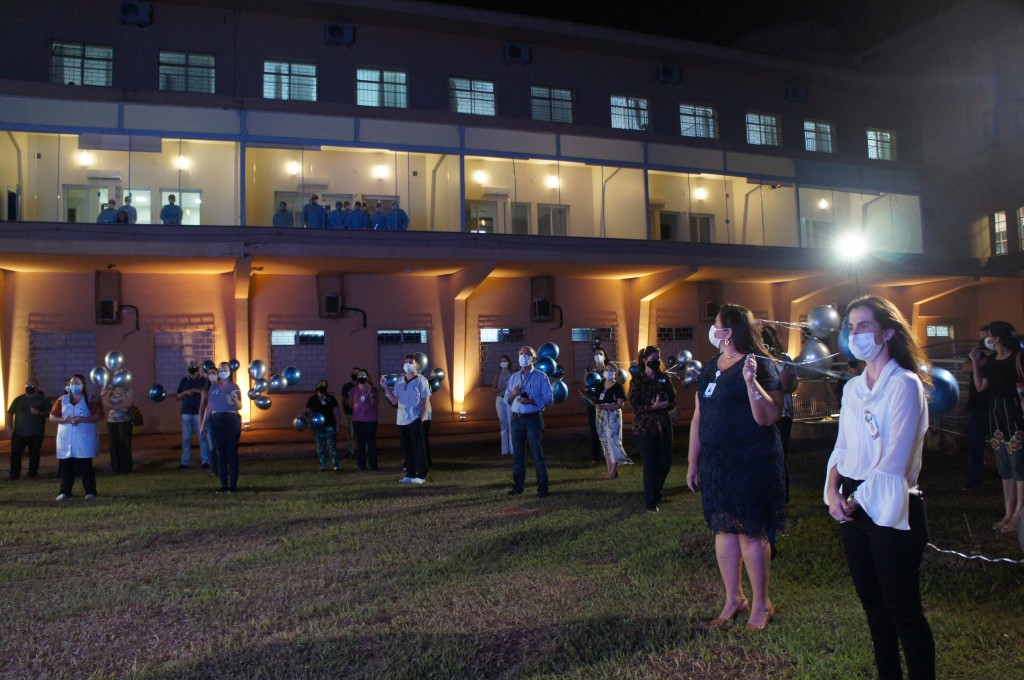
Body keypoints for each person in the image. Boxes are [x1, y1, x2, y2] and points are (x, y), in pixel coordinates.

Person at [824, 295, 935, 678]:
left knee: (903, 611)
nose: (856, 335)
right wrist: (831, 492)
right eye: (851, 327)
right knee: (874, 609)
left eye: (864, 326)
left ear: (887, 332)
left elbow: (896, 459)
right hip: (853, 506)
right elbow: (842, 446)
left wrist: (855, 500)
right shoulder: (852, 388)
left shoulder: (904, 385)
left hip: (891, 505)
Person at [687, 304, 785, 632]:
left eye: (716, 326)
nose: (712, 331)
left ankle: (761, 604)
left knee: (750, 534)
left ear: (728, 331)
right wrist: (692, 461)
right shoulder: (712, 366)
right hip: (717, 463)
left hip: (751, 460)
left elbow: (768, 418)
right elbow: (699, 415)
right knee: (724, 530)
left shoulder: (760, 365)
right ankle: (734, 599)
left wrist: (749, 382)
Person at [970, 320, 1024, 533]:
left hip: (1014, 413)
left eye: (989, 335)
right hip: (996, 413)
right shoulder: (992, 360)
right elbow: (981, 386)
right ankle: (1008, 512)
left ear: (997, 337)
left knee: (1018, 465)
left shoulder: (1018, 357)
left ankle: (1019, 513)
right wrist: (975, 363)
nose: (986, 339)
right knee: (1005, 467)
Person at [629, 345, 676, 512]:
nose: (656, 362)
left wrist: (665, 404)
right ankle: (651, 502)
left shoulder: (664, 378)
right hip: (644, 428)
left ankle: (656, 492)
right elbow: (634, 406)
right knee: (650, 465)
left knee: (665, 462)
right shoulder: (637, 381)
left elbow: (673, 400)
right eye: (652, 359)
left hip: (662, 426)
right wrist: (652, 406)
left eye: (658, 359)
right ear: (644, 360)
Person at [504, 345, 554, 497]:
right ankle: (518, 487)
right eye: (520, 354)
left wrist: (531, 401)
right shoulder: (513, 377)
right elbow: (507, 399)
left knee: (537, 455)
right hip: (516, 420)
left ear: (534, 359)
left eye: (526, 354)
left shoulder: (541, 377)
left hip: (533, 419)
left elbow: (549, 399)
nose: (523, 357)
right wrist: (513, 394)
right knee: (518, 456)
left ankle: (543, 488)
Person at [49, 374, 104, 501]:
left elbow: (99, 415)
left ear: (83, 385)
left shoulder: (91, 400)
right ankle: (65, 491)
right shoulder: (62, 400)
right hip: (66, 437)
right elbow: (52, 416)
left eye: (77, 383)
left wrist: (83, 419)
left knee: (85, 465)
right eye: (72, 383)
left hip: (84, 437)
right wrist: (64, 420)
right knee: (66, 465)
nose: (74, 385)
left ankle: (90, 491)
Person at [381, 355, 430, 484]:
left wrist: (420, 418)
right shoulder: (400, 381)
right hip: (401, 420)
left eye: (410, 362)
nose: (407, 364)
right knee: (407, 448)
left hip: (414, 418)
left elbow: (425, 402)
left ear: (416, 365)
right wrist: (385, 387)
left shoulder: (421, 380)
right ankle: (410, 473)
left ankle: (422, 474)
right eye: (405, 362)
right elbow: (394, 400)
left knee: (418, 447)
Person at [761, 324, 797, 501]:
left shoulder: (782, 359)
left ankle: (781, 497)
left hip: (781, 414)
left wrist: (785, 384)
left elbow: (792, 385)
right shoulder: (759, 360)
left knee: (779, 456)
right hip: (770, 413)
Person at [201, 362, 242, 493]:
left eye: (225, 369)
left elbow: (239, 406)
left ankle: (233, 485)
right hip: (217, 420)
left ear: (230, 371)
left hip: (231, 419)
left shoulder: (234, 386)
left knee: (231, 453)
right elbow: (209, 407)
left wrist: (235, 400)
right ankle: (224, 485)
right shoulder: (214, 388)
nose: (223, 371)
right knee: (221, 453)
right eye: (221, 369)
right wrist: (203, 424)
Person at [961, 326, 991, 491]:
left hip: (995, 406)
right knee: (974, 446)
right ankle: (974, 480)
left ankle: (1009, 478)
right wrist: (984, 360)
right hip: (976, 406)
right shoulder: (979, 353)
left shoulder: (1008, 353)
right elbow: (966, 368)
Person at [591, 365, 632, 479]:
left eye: (611, 371)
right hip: (600, 416)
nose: (608, 372)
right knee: (605, 442)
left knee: (613, 441)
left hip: (613, 416)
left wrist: (605, 408)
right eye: (606, 370)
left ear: (615, 373)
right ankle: (609, 470)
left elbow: (620, 405)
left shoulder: (618, 387)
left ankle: (614, 470)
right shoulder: (600, 385)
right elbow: (596, 400)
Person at [6, 381, 49, 480]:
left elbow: (49, 413)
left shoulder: (41, 400)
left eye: (32, 386)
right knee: (16, 455)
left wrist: (39, 412)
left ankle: (32, 474)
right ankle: (14, 474)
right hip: (19, 433)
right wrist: (10, 428)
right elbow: (9, 413)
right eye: (27, 385)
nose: (29, 387)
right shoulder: (19, 400)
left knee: (34, 454)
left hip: (36, 433)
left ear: (37, 387)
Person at [176, 360, 210, 469]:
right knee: (186, 438)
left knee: (202, 437)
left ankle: (205, 461)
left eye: (194, 371)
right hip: (186, 412)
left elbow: (207, 394)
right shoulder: (184, 381)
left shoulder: (204, 381)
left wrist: (196, 391)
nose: (193, 374)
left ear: (198, 370)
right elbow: (178, 396)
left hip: (198, 413)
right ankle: (184, 462)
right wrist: (186, 392)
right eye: (191, 371)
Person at [305, 379, 341, 472]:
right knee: (320, 446)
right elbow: (308, 411)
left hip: (330, 425)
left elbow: (336, 411)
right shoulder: (312, 399)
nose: (322, 386)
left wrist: (337, 425)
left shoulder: (331, 398)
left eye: (324, 385)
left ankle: (336, 466)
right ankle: (323, 466)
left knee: (332, 446)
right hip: (318, 427)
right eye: (321, 384)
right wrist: (304, 416)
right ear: (317, 387)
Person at [100, 382, 134, 474]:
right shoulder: (110, 390)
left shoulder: (128, 390)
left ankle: (126, 467)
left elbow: (128, 404)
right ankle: (115, 467)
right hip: (112, 421)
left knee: (124, 444)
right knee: (113, 445)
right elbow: (105, 401)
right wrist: (113, 406)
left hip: (124, 421)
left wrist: (114, 406)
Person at [349, 369, 379, 471]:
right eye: (359, 375)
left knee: (371, 442)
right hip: (358, 420)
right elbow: (350, 403)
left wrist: (370, 393)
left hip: (370, 419)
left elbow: (375, 404)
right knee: (360, 442)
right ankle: (361, 464)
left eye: (363, 375)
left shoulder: (373, 389)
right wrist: (355, 407)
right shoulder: (353, 390)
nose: (361, 377)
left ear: (367, 377)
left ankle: (373, 464)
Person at [583, 346, 607, 464]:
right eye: (596, 354)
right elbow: (586, 385)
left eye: (600, 354)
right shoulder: (589, 370)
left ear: (604, 356)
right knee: (594, 431)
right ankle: (595, 457)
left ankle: (607, 455)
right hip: (593, 404)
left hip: (606, 404)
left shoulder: (608, 370)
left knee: (606, 430)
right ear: (593, 357)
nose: (598, 356)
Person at [197, 365, 220, 476]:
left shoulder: (222, 387)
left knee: (221, 446)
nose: (211, 375)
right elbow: (202, 407)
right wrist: (201, 423)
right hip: (209, 420)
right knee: (212, 446)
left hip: (220, 418)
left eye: (214, 373)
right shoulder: (205, 390)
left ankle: (222, 469)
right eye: (210, 373)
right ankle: (214, 470)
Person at [492, 354, 515, 456]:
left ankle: (512, 450)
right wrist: (503, 388)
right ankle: (504, 451)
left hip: (510, 400)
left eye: (505, 360)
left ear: (509, 362)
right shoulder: (497, 374)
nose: (503, 362)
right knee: (503, 426)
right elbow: (493, 390)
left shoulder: (513, 373)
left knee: (511, 424)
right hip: (500, 399)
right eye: (501, 361)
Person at [340, 367, 360, 459]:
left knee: (361, 433)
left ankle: (365, 450)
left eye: (357, 373)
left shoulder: (363, 385)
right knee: (350, 434)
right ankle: (350, 451)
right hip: (350, 413)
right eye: (354, 373)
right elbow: (343, 400)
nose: (355, 375)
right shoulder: (347, 386)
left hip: (361, 414)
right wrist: (344, 411)